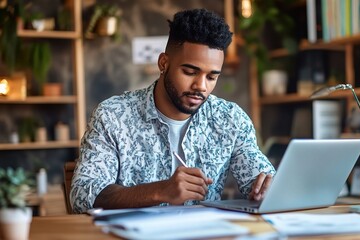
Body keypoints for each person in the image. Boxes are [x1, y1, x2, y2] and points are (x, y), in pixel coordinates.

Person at [70, 8, 275, 214]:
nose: (201, 86)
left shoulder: (230, 119)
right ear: (164, 63)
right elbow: (82, 195)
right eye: (190, 72)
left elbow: (260, 181)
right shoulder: (112, 115)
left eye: (211, 77)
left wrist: (268, 188)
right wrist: (160, 191)